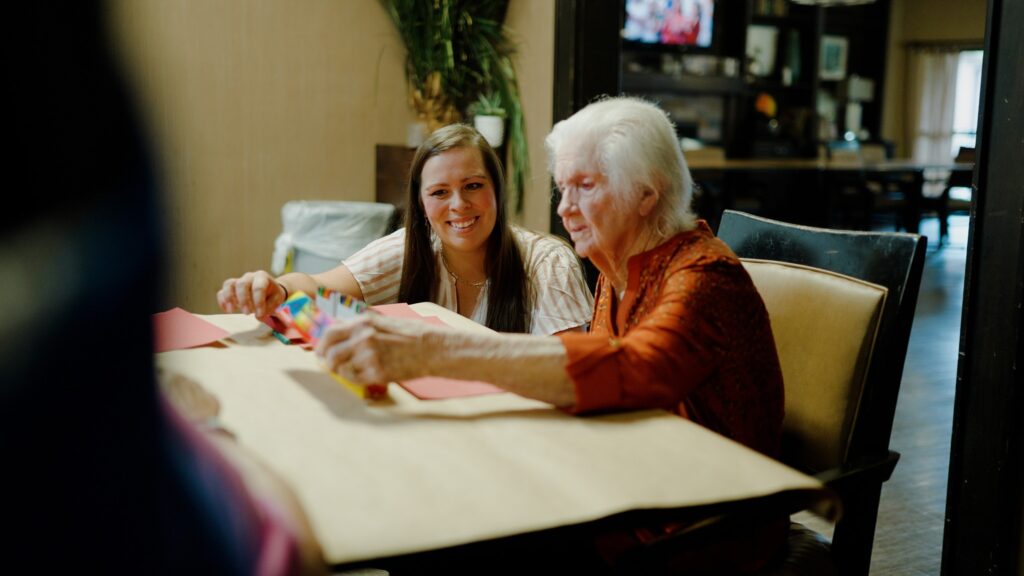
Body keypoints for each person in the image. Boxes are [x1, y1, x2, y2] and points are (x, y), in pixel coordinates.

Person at [313, 97, 786, 573]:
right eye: (563, 189)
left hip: (694, 533)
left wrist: (435, 350)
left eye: (585, 187)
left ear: (646, 193)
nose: (565, 210)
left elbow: (632, 370)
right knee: (429, 512)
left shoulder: (703, 276)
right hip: (622, 497)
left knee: (446, 539)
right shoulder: (615, 273)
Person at [218, 124, 593, 336]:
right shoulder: (411, 249)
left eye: (474, 186)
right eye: (440, 193)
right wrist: (275, 288)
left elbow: (572, 367)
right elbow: (314, 289)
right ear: (420, 205)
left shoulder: (548, 263)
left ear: (497, 190)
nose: (459, 205)